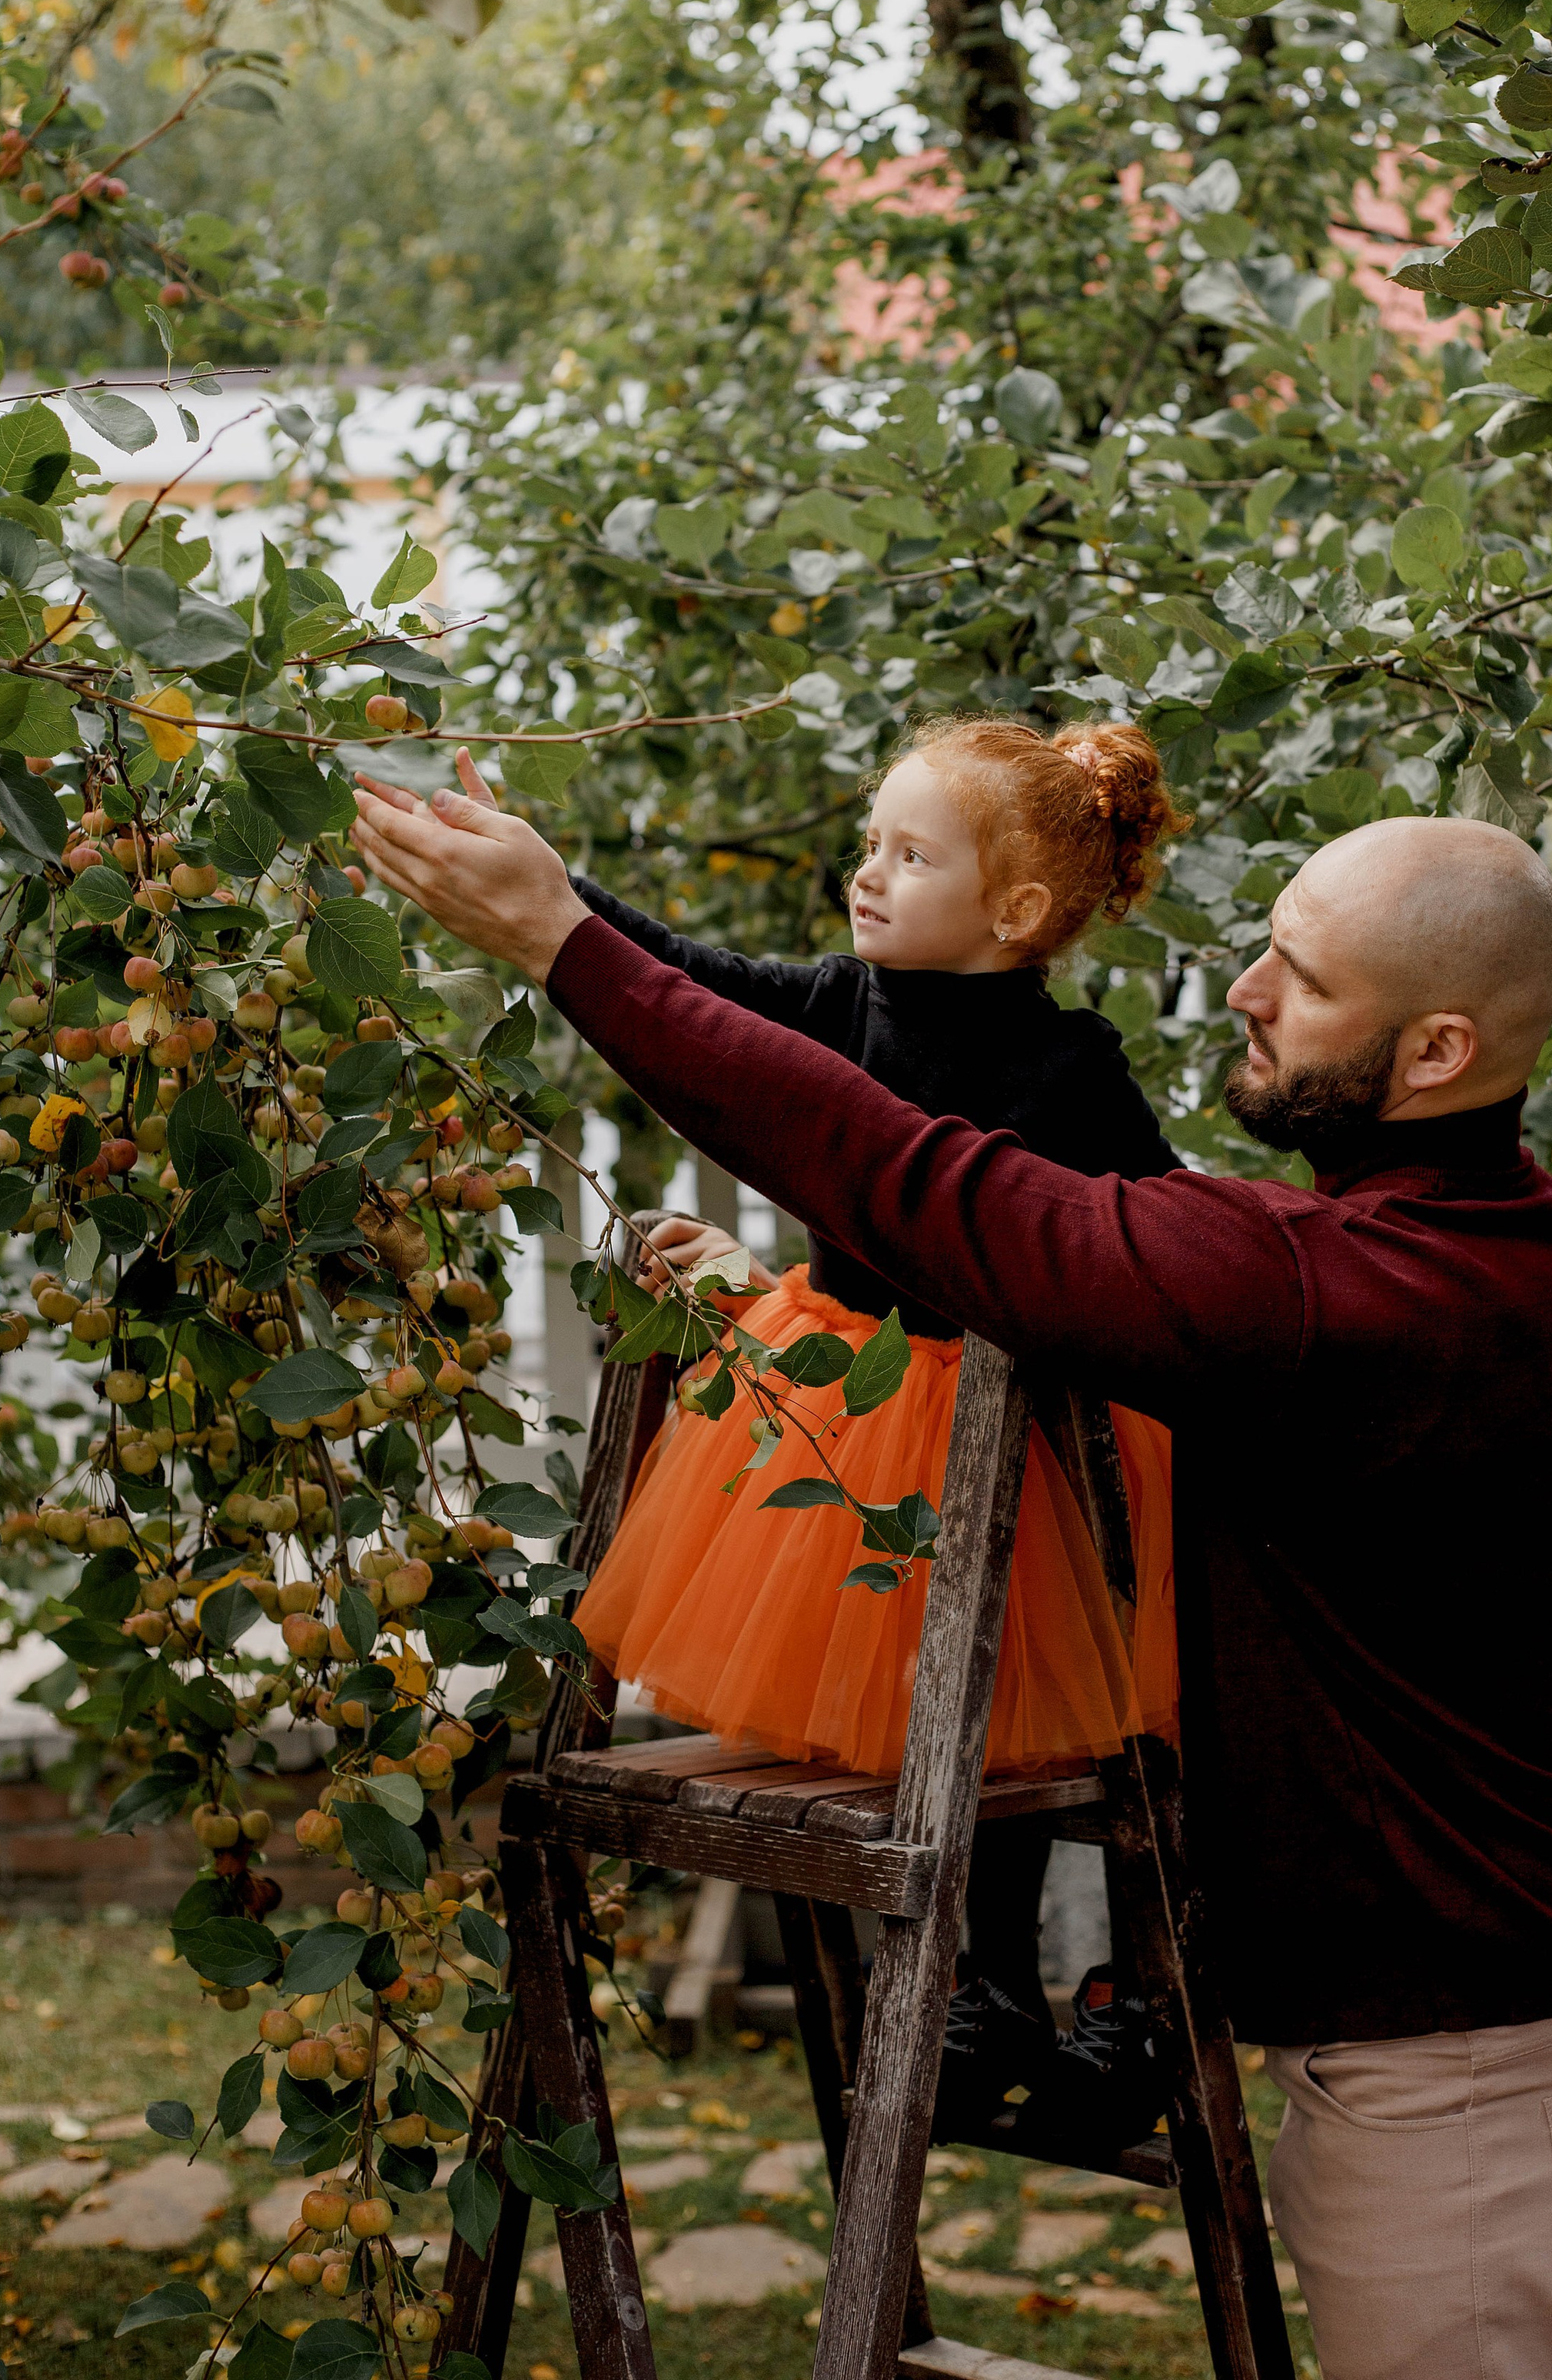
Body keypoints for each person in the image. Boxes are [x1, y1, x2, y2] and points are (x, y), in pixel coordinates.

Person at [352, 777, 1552, 2380]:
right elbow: (965, 1211)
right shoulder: (1513, 1250)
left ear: (1438, 1052)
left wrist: (559, 942)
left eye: (1305, 981)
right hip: (1458, 2053)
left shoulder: (1350, 1298)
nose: (1246, 993)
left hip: (1471, 2096)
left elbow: (932, 1185)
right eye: (1268, 948)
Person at [405, 720, 1192, 2132]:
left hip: (1022, 1442)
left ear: (1014, 912)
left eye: (908, 854)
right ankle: (975, 1983)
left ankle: (1109, 1996)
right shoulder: (846, 1001)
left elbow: (1159, 1235)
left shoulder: (1073, 1071)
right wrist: (552, 884)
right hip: (864, 1417)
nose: (866, 875)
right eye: (866, 845)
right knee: (910, 1718)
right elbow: (690, 986)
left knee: (1031, 1716)